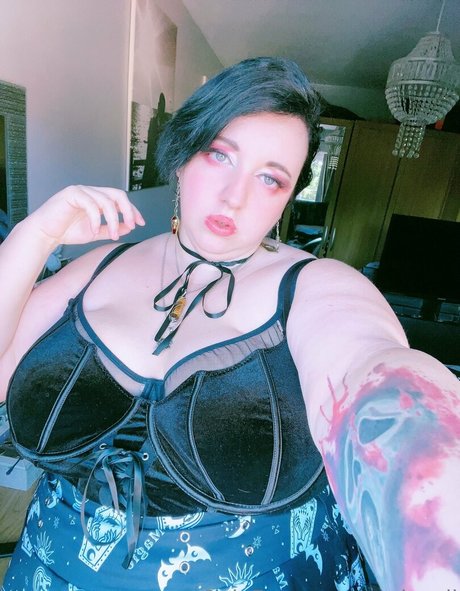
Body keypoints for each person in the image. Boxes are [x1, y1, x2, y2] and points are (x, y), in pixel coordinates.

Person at [0, 57, 458, 591]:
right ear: (182, 156)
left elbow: (375, 373)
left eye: (270, 178)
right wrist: (34, 236)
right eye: (220, 155)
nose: (234, 197)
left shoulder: (318, 286)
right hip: (46, 569)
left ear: (287, 198)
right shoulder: (99, 266)